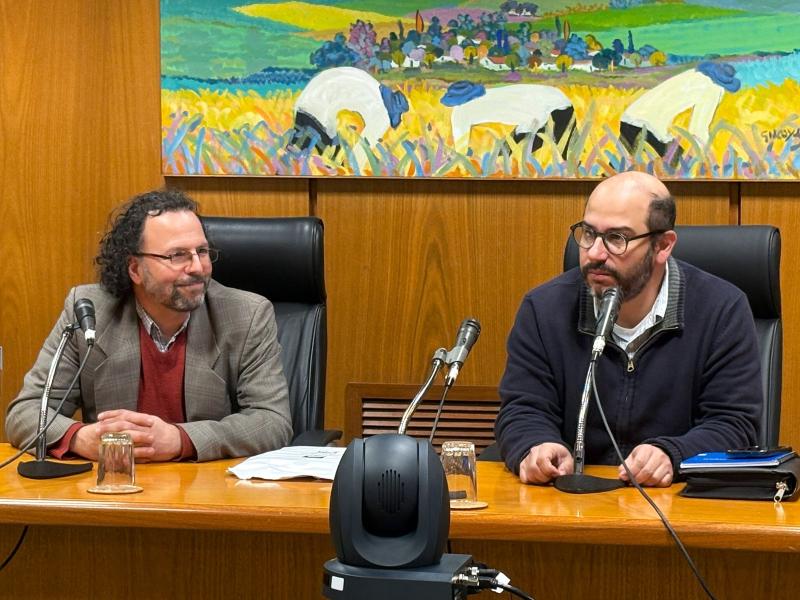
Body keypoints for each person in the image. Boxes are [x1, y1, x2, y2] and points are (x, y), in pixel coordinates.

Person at [495, 171, 761, 487]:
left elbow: (735, 425)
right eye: (589, 234)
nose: (594, 253)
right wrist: (535, 445)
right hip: (569, 503)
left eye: (616, 238)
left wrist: (672, 453)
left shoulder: (721, 310)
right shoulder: (544, 309)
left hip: (676, 509)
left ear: (663, 245)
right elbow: (522, 410)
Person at [5, 189, 293, 462]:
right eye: (177, 255)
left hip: (207, 493)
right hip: (115, 494)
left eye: (202, 251)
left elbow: (271, 421)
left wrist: (181, 440)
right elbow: (26, 413)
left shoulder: (246, 315)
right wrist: (81, 438)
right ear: (135, 269)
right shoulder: (89, 311)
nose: (197, 268)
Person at [619, 61, 741, 158]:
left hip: (629, 117)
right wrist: (706, 158)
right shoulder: (713, 90)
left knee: (616, 168)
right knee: (678, 165)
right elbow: (698, 129)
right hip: (650, 128)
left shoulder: (692, 74)